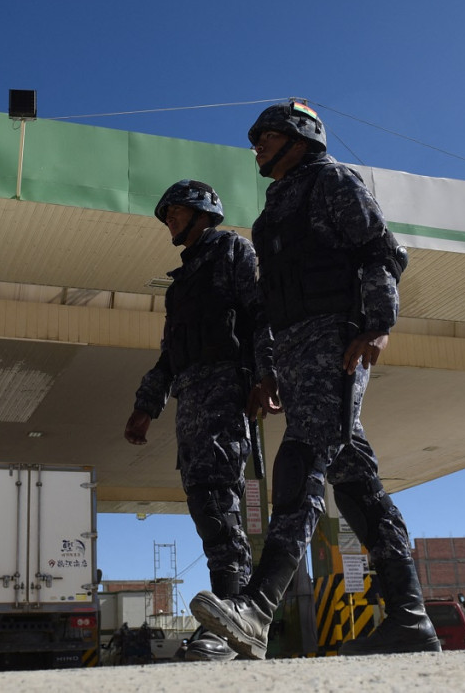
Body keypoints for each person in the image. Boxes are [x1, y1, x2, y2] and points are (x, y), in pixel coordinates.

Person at [189, 99, 439, 659]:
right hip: (298, 350)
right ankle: (410, 618)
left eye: (266, 136)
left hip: (336, 339)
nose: (256, 145)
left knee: (302, 455)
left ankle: (257, 607)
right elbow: (270, 303)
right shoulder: (275, 208)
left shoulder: (331, 181)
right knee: (356, 485)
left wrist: (377, 324)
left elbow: (380, 250)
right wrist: (272, 366)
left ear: (299, 138)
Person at [125, 179, 276, 662]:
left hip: (227, 389)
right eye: (166, 213)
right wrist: (146, 406)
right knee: (202, 502)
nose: (167, 220)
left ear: (202, 212)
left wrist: (266, 374)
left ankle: (232, 618)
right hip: (191, 398)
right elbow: (170, 354)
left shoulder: (234, 251)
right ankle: (228, 621)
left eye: (174, 211)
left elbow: (261, 314)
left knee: (217, 501)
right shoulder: (183, 279)